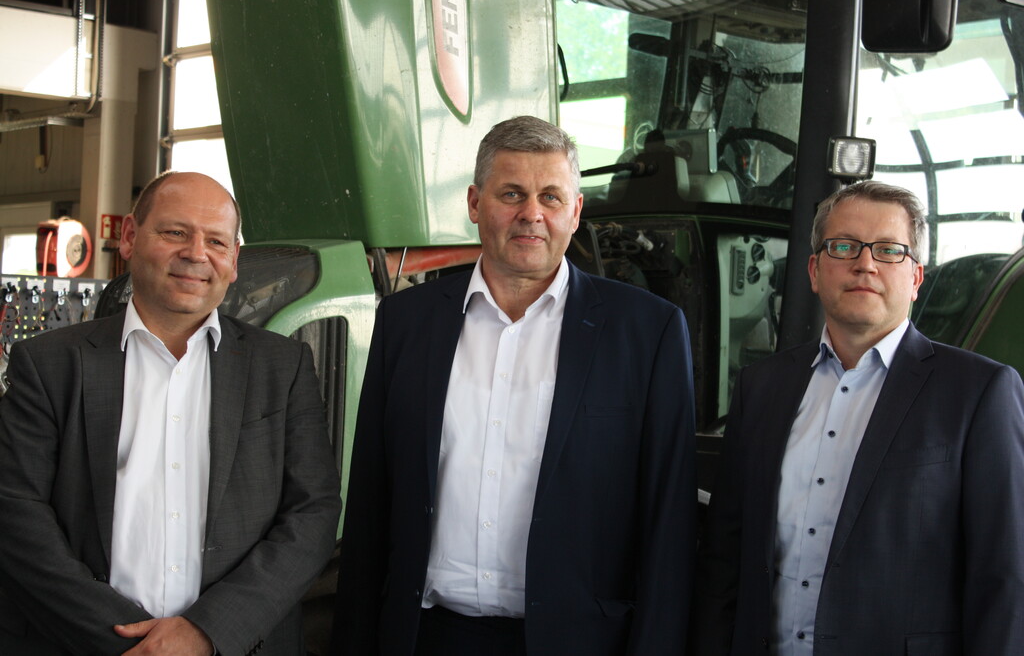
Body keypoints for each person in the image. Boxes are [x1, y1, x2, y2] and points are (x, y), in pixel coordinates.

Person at [331, 115, 696, 655]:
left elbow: (669, 526)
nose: (532, 213)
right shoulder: (405, 322)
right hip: (425, 637)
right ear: (475, 203)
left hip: (577, 643)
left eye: (551, 196)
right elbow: (369, 504)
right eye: (512, 194)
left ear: (575, 211)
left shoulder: (648, 332)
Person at [0, 171, 342, 655]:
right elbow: (16, 511)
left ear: (234, 260)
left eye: (216, 241)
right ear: (129, 237)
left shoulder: (282, 367)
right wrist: (126, 641)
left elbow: (313, 513)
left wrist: (207, 631)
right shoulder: (49, 364)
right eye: (175, 232)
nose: (196, 254)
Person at [693, 180, 1024, 655]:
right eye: (844, 246)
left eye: (888, 250)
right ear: (814, 270)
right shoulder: (761, 387)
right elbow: (725, 559)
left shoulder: (978, 393)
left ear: (916, 277)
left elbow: (1004, 578)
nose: (865, 263)